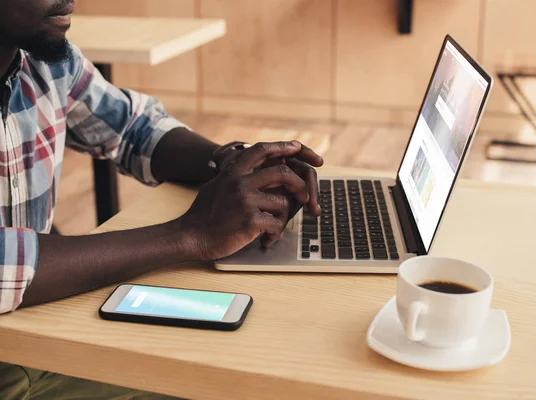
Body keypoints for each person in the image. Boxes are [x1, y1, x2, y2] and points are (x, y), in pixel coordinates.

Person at [0, 0, 323, 398]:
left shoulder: (43, 58)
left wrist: (234, 164)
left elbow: (135, 127)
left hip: (30, 332)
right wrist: (189, 235)